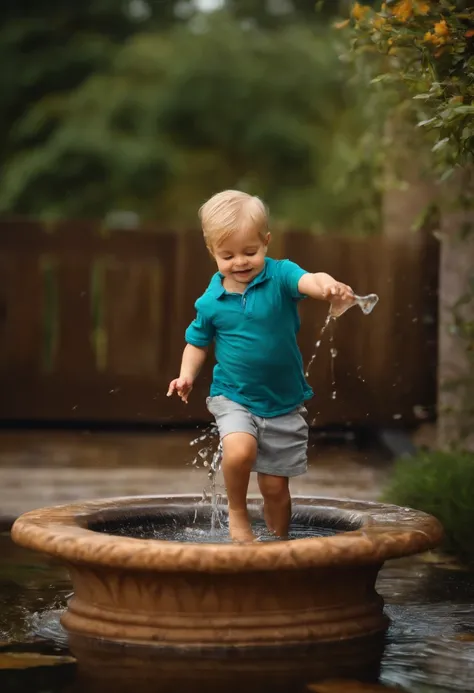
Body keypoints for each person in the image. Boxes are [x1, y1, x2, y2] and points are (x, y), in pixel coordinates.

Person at [167, 190, 354, 543]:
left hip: (283, 403)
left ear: (266, 242)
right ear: (212, 252)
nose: (240, 262)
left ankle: (278, 545)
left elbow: (309, 280)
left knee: (275, 490)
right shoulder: (211, 302)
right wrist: (186, 375)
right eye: (228, 255)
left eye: (250, 252)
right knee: (240, 450)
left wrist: (326, 286)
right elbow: (196, 343)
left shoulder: (280, 276)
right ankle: (237, 512)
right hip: (234, 395)